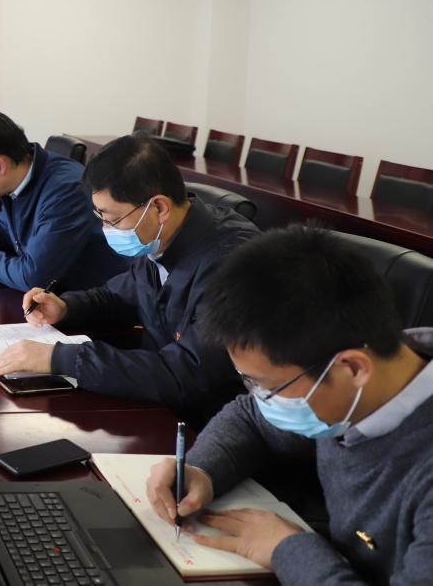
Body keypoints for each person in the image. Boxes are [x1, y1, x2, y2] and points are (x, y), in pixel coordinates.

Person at [145, 226, 433, 584]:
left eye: (267, 386)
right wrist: (201, 470)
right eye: (249, 381)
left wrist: (287, 548)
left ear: (353, 369)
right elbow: (251, 419)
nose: (260, 398)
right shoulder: (366, 379)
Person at [0, 134, 257, 428]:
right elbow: (120, 296)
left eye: (112, 219)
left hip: (208, 423)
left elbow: (188, 373)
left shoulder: (230, 264)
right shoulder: (159, 236)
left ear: (159, 208)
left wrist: (60, 358)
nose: (107, 229)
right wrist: (65, 307)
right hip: (158, 403)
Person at [0, 109, 127, 293]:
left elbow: (34, 276)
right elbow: (3, 230)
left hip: (90, 305)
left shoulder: (66, 190)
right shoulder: (21, 179)